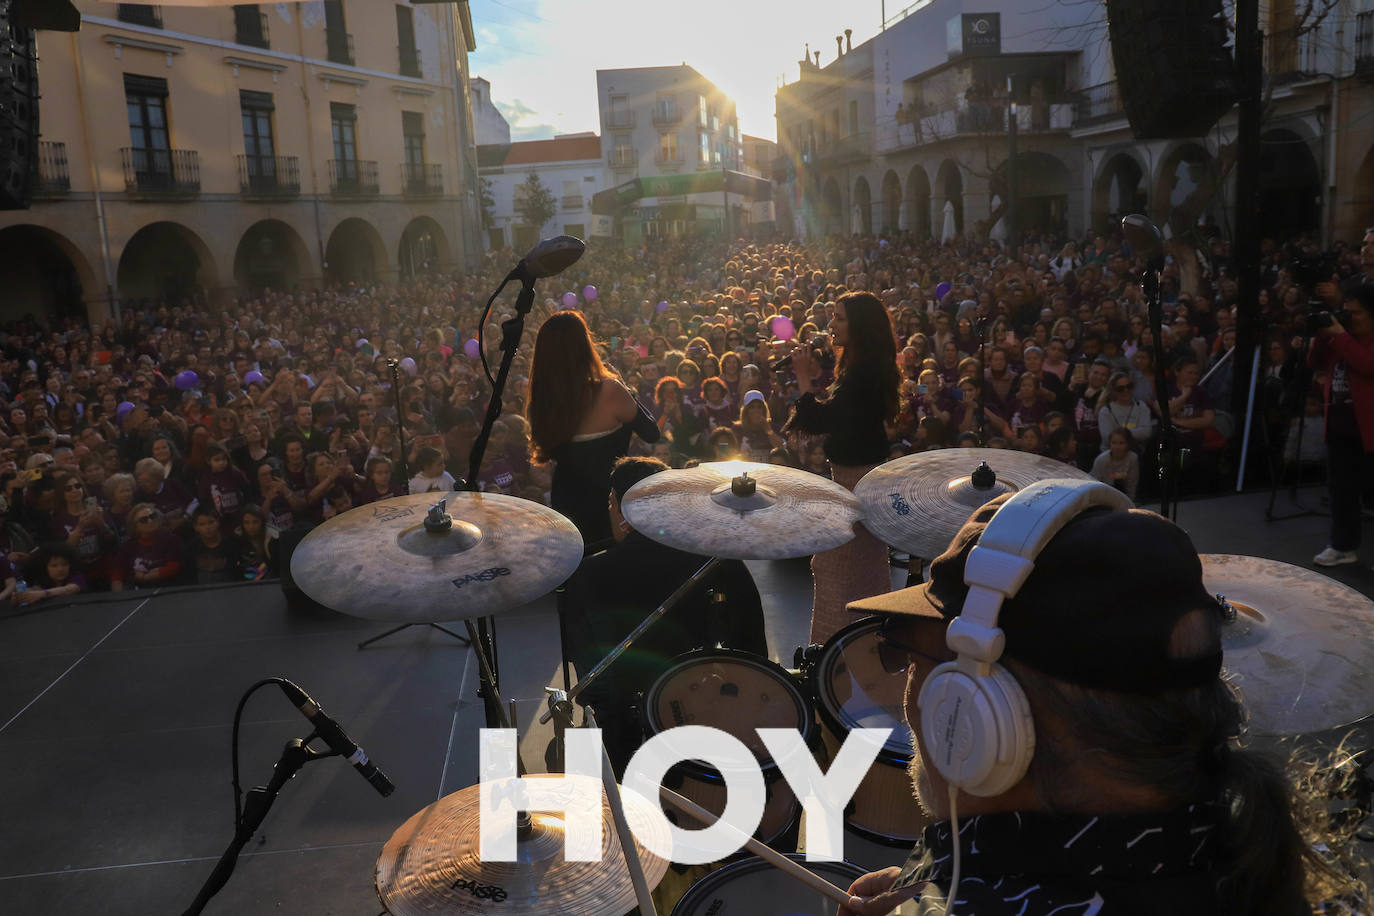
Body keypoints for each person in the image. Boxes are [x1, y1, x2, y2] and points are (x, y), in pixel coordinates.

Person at [840, 486, 1354, 916]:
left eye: (906, 656)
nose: (908, 695)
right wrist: (940, 885)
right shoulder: (1243, 855)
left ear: (977, 710)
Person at [560, 457, 769, 773]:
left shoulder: (587, 573)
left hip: (622, 742)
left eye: (609, 503)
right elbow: (753, 651)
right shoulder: (717, 562)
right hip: (713, 721)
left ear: (620, 507)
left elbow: (589, 677)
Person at [785, 291, 899, 643]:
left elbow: (822, 420)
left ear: (860, 327)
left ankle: (833, 657)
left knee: (835, 569)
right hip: (857, 477)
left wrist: (803, 379)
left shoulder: (862, 374)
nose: (831, 324)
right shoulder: (863, 365)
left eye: (839, 318)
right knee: (861, 569)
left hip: (856, 481)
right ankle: (864, 647)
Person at [526, 311, 659, 546]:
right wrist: (624, 387)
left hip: (566, 500)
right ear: (584, 345)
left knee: (577, 567)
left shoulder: (542, 399)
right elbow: (651, 432)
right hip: (607, 502)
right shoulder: (609, 390)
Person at [1307, 283, 1374, 566]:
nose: (1350, 318)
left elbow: (1368, 364)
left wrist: (1340, 336)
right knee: (1341, 492)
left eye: (1356, 313)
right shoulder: (1341, 339)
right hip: (1339, 428)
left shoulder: (1359, 340)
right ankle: (1343, 546)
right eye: (1346, 312)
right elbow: (1314, 361)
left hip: (1369, 430)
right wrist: (1324, 336)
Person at [1092, 427, 1141, 500]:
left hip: (1124, 496)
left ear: (1128, 444)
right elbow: (1095, 484)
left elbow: (1132, 484)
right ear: (1109, 443)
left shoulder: (1132, 458)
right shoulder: (1101, 460)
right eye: (1114, 443)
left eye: (1121, 443)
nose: (1117, 447)